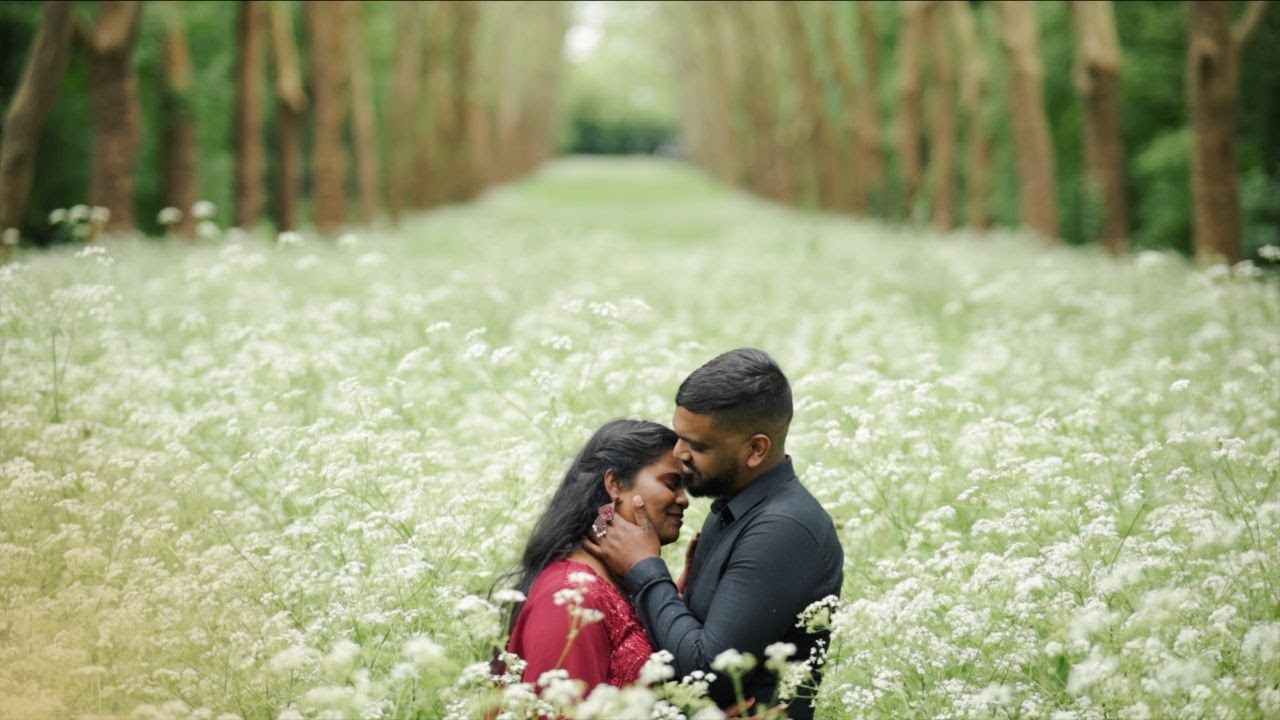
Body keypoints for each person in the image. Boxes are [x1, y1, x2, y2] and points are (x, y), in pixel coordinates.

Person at [586, 348, 844, 720]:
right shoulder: (733, 510)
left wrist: (646, 570)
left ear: (755, 449)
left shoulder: (782, 529)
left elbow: (706, 673)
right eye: (679, 437)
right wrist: (678, 596)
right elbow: (689, 646)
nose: (679, 454)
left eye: (698, 446)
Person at [505, 418, 689, 690]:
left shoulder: (620, 579)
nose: (684, 499)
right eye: (672, 483)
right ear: (615, 483)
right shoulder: (569, 598)